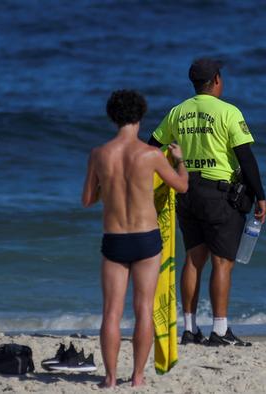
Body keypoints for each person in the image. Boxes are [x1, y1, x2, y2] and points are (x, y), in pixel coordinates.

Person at [148, 58, 266, 346]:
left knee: (193, 260)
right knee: (222, 262)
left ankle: (189, 329)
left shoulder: (178, 112)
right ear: (215, 80)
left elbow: (151, 146)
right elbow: (245, 158)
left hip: (187, 191)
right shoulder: (228, 112)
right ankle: (220, 331)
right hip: (220, 194)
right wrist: (261, 196)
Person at [82, 90, 188, 387]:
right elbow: (181, 187)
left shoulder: (99, 154)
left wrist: (108, 185)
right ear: (140, 118)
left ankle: (111, 378)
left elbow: (87, 199)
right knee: (143, 309)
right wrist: (180, 161)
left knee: (111, 312)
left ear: (112, 118)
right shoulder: (151, 154)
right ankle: (138, 377)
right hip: (146, 239)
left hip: (114, 239)